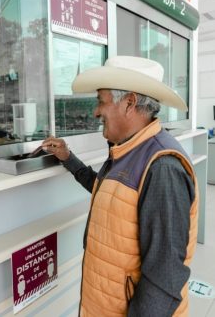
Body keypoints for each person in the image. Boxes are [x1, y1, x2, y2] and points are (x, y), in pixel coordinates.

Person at [42, 56, 198, 317]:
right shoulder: (127, 150)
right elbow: (106, 192)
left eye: (101, 101)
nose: (95, 112)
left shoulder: (163, 167)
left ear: (129, 103)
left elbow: (164, 277)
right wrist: (68, 159)